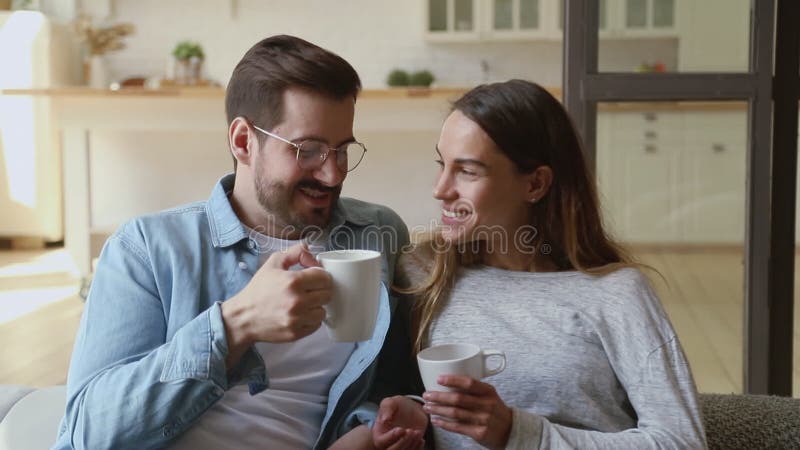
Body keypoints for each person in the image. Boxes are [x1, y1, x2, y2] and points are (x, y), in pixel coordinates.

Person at [54, 35, 416, 450]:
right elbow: (89, 432)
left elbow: (392, 386)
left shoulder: (378, 234)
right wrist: (236, 324)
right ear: (243, 141)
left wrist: (369, 430)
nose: (332, 174)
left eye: (342, 150)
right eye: (309, 151)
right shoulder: (149, 248)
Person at [371, 80, 707, 449]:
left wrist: (519, 433)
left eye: (467, 171)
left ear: (535, 184)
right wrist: (417, 414)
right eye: (442, 164)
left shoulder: (617, 294)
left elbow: (682, 442)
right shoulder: (424, 274)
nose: (440, 189)